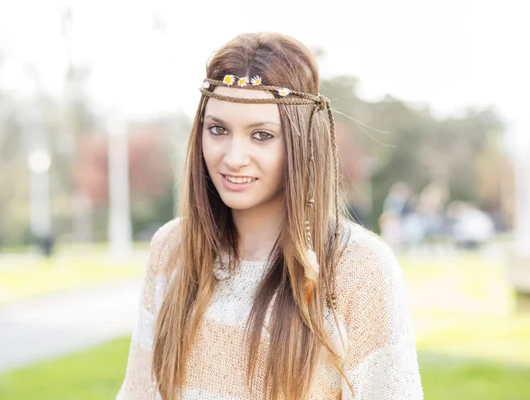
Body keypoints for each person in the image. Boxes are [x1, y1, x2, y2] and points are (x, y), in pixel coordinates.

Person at [116, 32, 423, 400]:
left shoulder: (357, 268)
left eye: (261, 135)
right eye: (218, 130)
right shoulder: (172, 249)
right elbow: (139, 392)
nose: (233, 157)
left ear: (300, 141)